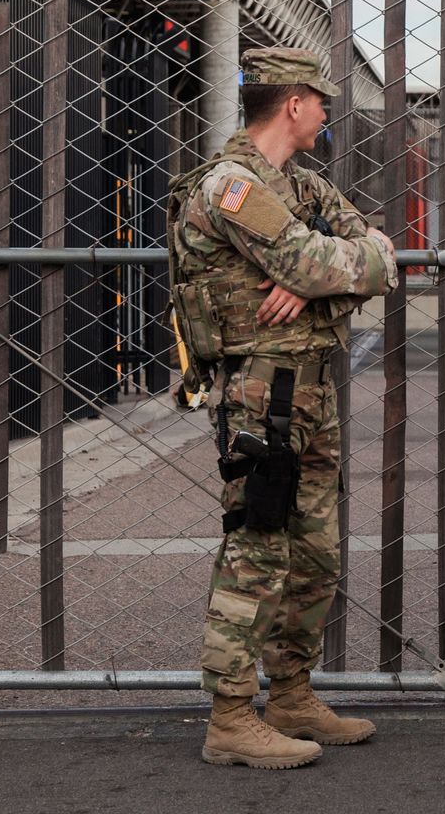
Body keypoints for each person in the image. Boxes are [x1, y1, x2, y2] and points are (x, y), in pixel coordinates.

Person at [167, 47, 398, 769]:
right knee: (259, 545)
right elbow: (316, 259)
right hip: (260, 392)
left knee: (316, 551)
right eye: (321, 102)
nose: (327, 115)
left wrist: (316, 278)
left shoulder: (303, 188)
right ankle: (232, 717)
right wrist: (316, 269)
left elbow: (383, 254)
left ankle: (292, 695)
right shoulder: (231, 187)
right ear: (294, 103)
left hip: (309, 387)